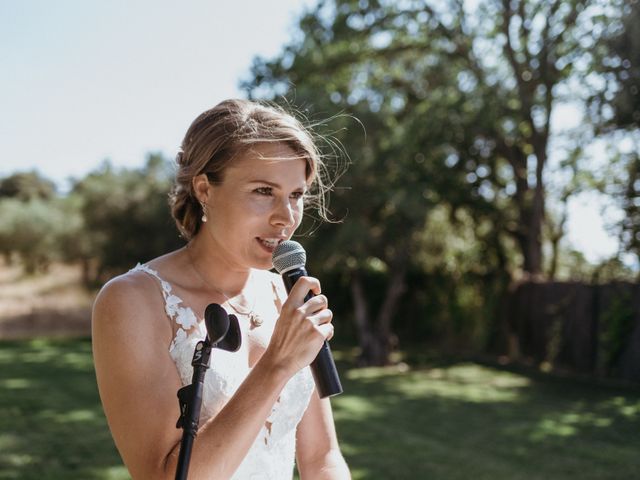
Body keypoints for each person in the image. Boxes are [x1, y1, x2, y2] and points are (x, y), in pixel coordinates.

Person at [92, 99, 351, 479]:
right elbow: (164, 476)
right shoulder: (132, 301)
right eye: (264, 191)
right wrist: (276, 365)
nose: (285, 217)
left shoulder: (288, 295)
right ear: (204, 189)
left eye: (295, 195)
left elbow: (323, 457)